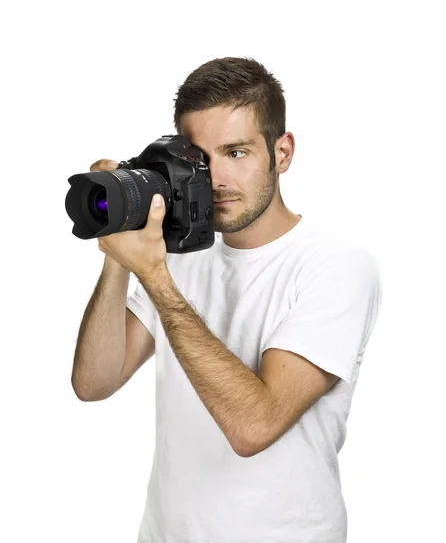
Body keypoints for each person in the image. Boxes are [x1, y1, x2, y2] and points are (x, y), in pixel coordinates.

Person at [72, 57, 382, 543]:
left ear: (282, 152)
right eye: (200, 158)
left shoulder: (336, 264)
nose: (215, 178)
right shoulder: (180, 259)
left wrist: (153, 273)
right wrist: (118, 248)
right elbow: (94, 382)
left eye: (236, 152)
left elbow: (253, 427)